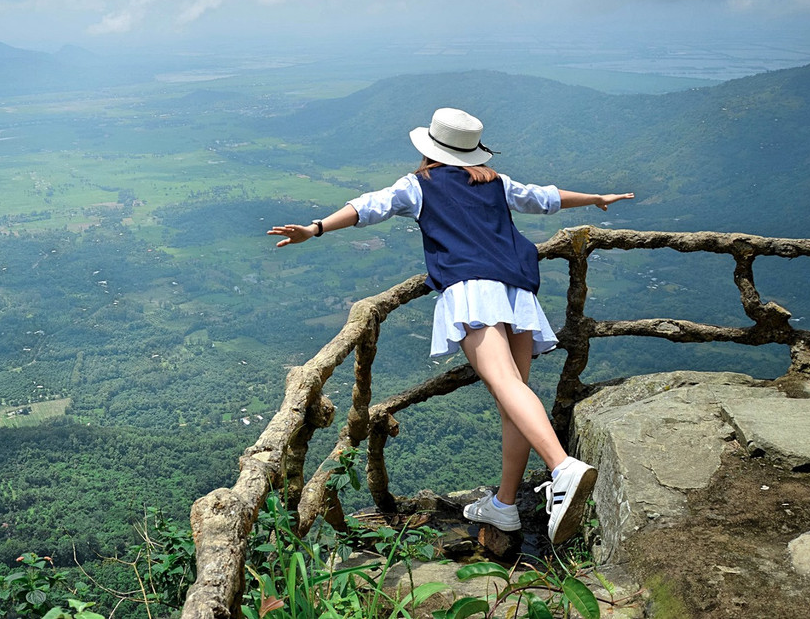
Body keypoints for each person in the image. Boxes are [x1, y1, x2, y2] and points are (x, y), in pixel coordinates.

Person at [267, 107, 634, 544]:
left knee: (505, 387)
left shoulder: (418, 186)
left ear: (429, 150)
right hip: (518, 288)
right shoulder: (495, 182)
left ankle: (563, 469)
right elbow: (544, 198)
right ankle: (503, 506)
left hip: (472, 289)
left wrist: (316, 228)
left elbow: (370, 206)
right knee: (513, 396)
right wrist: (594, 199)